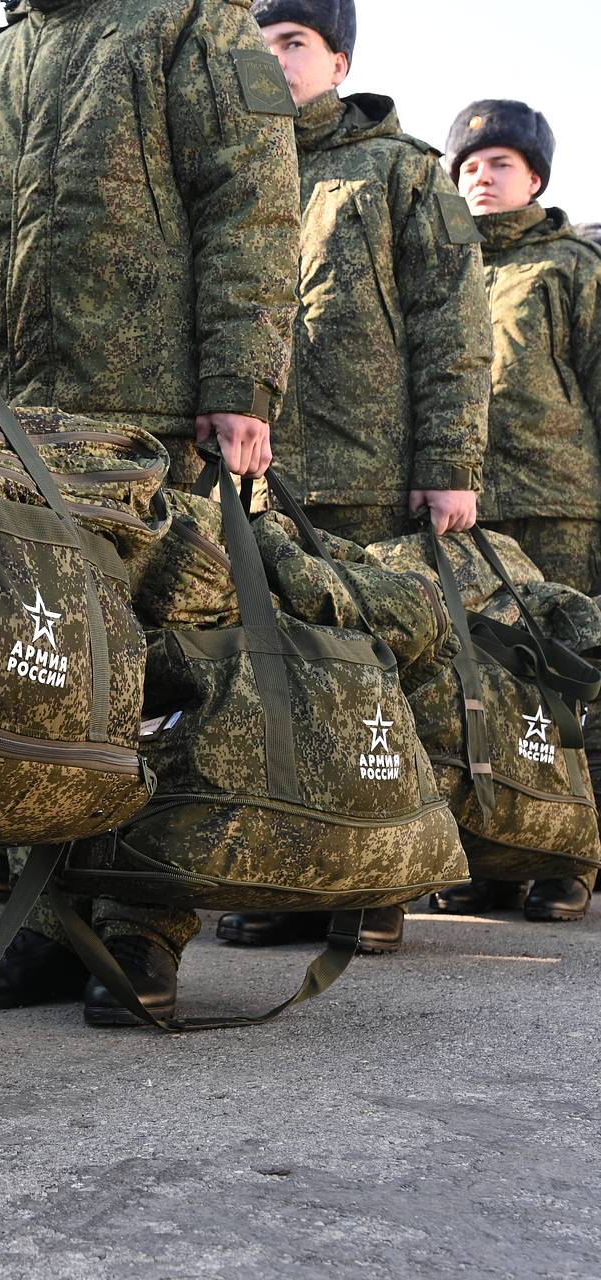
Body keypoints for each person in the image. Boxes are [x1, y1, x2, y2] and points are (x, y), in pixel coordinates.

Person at [0, 0, 301, 1025]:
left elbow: (256, 200)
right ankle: (46, 927)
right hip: (0, 412)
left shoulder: (197, 24)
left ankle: (140, 926)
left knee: (157, 674)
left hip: (139, 411)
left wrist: (241, 378)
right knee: (27, 676)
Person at [215, 0, 493, 957]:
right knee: (276, 677)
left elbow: (453, 326)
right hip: (257, 476)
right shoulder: (226, 157)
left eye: (293, 43)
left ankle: (379, 879)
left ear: (338, 57)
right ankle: (299, 868)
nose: (274, 61)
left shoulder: (403, 171)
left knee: (382, 679)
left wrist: (450, 465)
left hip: (369, 476)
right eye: (258, 44)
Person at [429, 100, 601, 924]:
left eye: (498, 164)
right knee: (488, 691)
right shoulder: (442, 265)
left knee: (569, 686)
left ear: (535, 177)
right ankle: (498, 851)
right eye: (467, 166)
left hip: (559, 508)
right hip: (470, 517)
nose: (480, 177)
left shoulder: (571, 267)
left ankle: (570, 855)